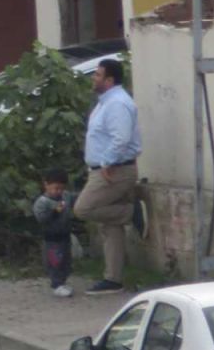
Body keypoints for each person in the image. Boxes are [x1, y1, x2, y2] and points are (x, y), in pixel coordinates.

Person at [74, 57, 142, 296]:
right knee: (110, 226)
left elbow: (121, 137)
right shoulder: (105, 102)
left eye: (98, 75)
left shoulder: (117, 104)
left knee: (83, 209)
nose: (94, 78)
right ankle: (113, 278)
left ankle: (130, 212)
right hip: (104, 168)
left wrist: (107, 161)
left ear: (110, 80)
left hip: (114, 170)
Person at [34, 167, 78, 297]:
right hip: (51, 238)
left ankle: (62, 282)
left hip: (65, 236)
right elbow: (41, 218)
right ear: (46, 185)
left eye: (61, 188)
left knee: (66, 261)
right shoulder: (42, 202)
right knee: (54, 261)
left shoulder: (66, 196)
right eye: (56, 188)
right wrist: (54, 212)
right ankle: (56, 284)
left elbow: (76, 198)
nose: (58, 191)